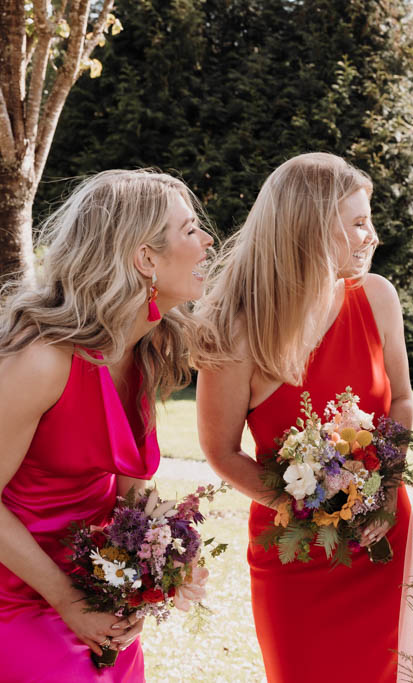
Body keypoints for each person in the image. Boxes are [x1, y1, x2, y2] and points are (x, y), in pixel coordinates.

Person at [192, 153, 413, 683]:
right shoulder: (235, 328)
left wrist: (384, 491)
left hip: (380, 540)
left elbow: (403, 401)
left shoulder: (378, 297)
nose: (373, 236)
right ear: (310, 227)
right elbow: (221, 451)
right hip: (293, 555)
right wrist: (310, 509)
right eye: (359, 222)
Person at [0, 170, 213, 681]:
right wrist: (70, 601)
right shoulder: (44, 361)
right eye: (189, 230)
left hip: (95, 600)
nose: (207, 240)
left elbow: (131, 490)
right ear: (146, 259)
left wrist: (163, 564)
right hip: (18, 602)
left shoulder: (142, 347)